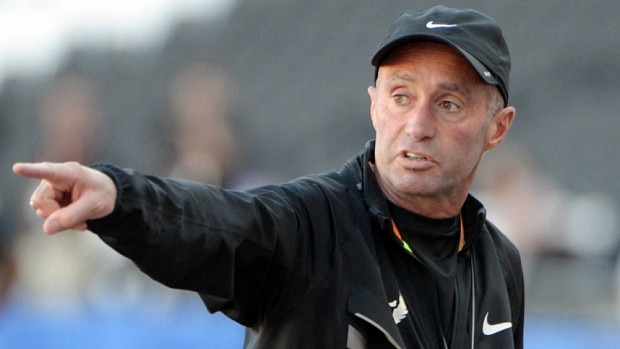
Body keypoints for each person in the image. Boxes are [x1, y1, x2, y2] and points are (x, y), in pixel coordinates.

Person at [13, 6, 522, 349]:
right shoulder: (311, 223)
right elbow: (218, 222)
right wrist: (119, 197)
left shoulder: (500, 262)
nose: (417, 126)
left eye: (449, 104)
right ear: (373, 107)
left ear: (497, 128)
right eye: (401, 96)